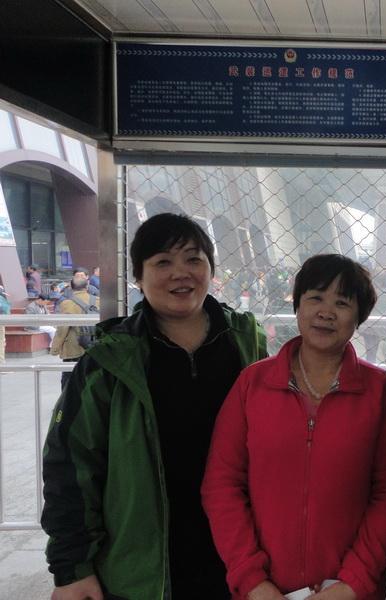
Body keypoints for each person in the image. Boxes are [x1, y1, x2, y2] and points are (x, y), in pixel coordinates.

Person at [41, 213, 268, 600]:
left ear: (211, 269)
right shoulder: (109, 362)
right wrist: (72, 568)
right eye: (163, 262)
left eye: (194, 259)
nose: (181, 273)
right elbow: (70, 465)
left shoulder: (247, 342)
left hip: (239, 557)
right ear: (138, 278)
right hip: (144, 568)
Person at [202, 254, 386, 600]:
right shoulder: (253, 384)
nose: (326, 312)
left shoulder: (379, 392)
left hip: (348, 592)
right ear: (297, 305)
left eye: (342, 303)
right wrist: (251, 579)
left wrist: (353, 583)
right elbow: (222, 485)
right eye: (315, 298)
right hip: (262, 591)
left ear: (359, 317)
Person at [50, 269, 100, 389]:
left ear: (71, 288)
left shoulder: (67, 304)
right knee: (91, 379)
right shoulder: (98, 301)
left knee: (69, 380)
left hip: (73, 347)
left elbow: (63, 328)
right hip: (94, 345)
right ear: (87, 286)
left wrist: (55, 348)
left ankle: (69, 400)